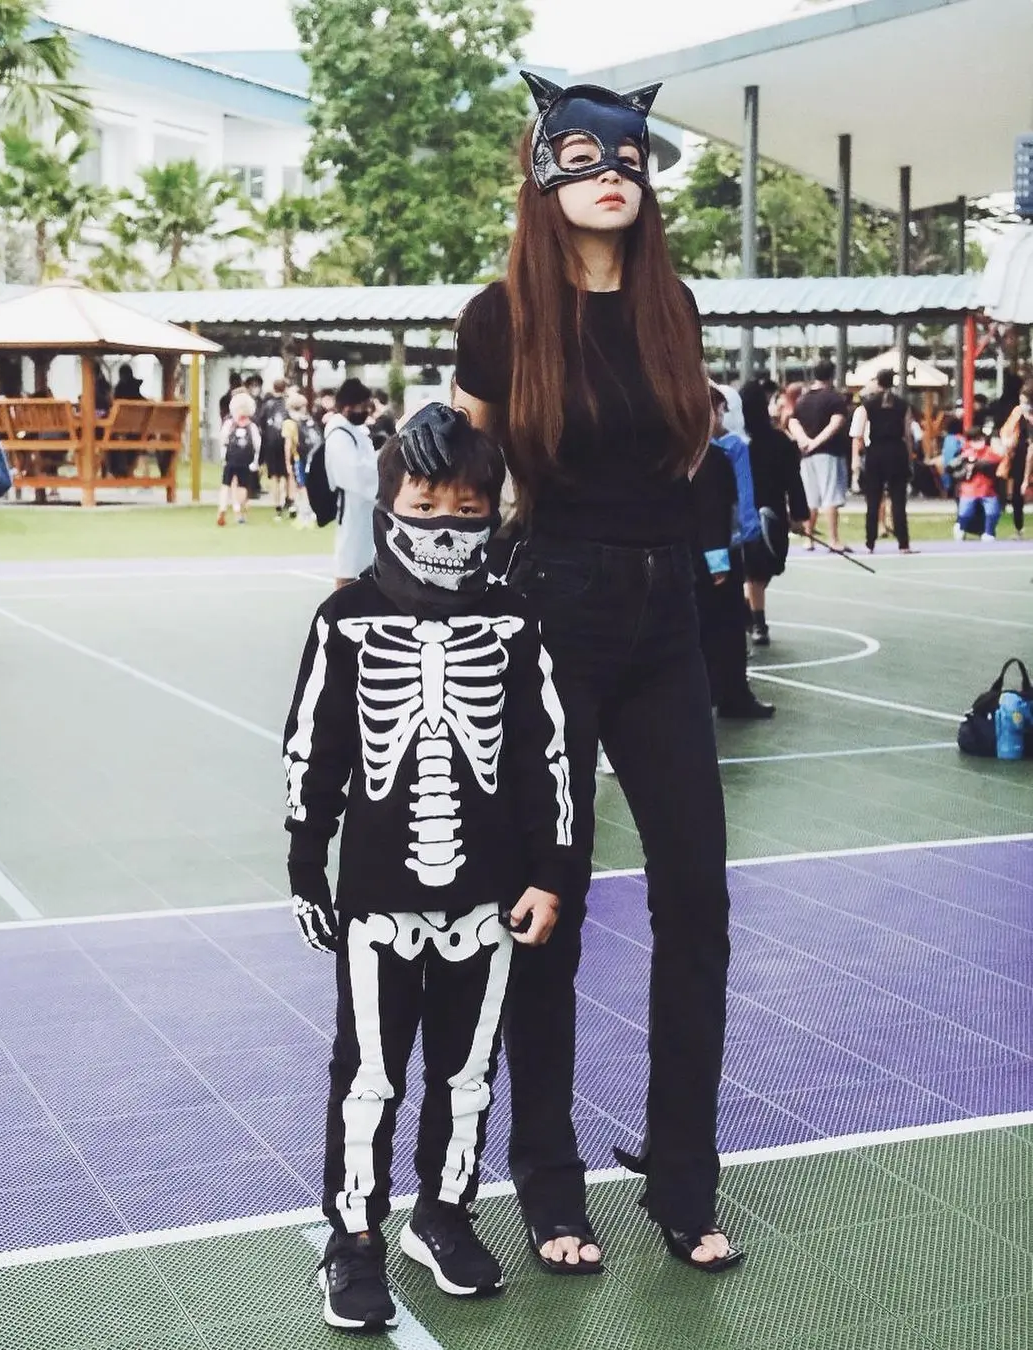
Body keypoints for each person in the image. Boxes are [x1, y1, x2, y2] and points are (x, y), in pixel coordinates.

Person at [447, 71, 743, 1274]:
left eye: (628, 155)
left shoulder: (673, 306)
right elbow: (461, 480)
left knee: (698, 901)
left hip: (669, 618)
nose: (611, 172)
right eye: (581, 154)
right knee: (549, 910)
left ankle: (683, 1176)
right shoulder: (499, 317)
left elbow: (690, 465)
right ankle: (547, 1178)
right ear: (543, 173)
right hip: (551, 616)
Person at [284, 411, 573, 1332]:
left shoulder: (515, 621)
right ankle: (353, 1236)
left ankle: (443, 1213)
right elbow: (314, 750)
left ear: (493, 514)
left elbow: (547, 758)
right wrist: (306, 865)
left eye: (468, 510)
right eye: (426, 505)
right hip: (378, 898)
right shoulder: (346, 620)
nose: (447, 526)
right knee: (368, 1074)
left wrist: (552, 872)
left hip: (488, 899)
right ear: (390, 507)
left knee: (467, 1074)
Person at [695, 387, 773, 719]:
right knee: (725, 626)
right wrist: (722, 556)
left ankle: (720, 692)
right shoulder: (718, 455)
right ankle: (732, 694)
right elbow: (723, 506)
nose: (721, 418)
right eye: (718, 411)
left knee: (706, 627)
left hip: (697, 550)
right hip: (719, 551)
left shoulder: (686, 454)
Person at [740, 379, 809, 647]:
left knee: (762, 570)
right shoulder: (778, 442)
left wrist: (798, 515)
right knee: (758, 571)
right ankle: (758, 622)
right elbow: (794, 482)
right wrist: (799, 515)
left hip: (753, 514)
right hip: (768, 514)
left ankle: (747, 610)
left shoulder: (739, 444)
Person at [789, 360, 850, 552]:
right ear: (832, 375)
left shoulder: (803, 399)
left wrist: (805, 441)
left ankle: (809, 539)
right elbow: (836, 423)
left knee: (811, 497)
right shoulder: (835, 398)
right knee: (831, 496)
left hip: (807, 454)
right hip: (829, 452)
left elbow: (793, 422)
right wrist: (816, 442)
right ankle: (833, 539)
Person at [324, 377, 377, 589]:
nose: (366, 411)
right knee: (348, 563)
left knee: (365, 562)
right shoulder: (339, 434)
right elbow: (353, 472)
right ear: (348, 407)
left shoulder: (357, 431)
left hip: (366, 505)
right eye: (362, 406)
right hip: (352, 504)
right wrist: (380, 473)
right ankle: (340, 602)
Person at [854, 369, 914, 554]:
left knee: (873, 499)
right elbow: (907, 434)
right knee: (898, 500)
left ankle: (870, 542)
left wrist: (858, 458)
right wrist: (909, 457)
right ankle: (903, 543)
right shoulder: (903, 405)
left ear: (878, 382)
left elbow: (859, 434)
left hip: (876, 452)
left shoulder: (868, 405)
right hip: (897, 451)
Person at [953, 424, 1004, 542]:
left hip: (988, 490)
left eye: (979, 438)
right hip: (969, 490)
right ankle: (960, 528)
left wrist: (978, 463)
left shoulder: (989, 451)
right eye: (974, 439)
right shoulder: (964, 452)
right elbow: (953, 467)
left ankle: (989, 532)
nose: (977, 441)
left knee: (992, 512)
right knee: (965, 512)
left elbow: (997, 460)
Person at [216, 390, 261, 526]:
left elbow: (223, 440)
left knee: (225, 485)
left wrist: (223, 457)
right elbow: (257, 445)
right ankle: (239, 511)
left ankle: (222, 508)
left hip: (231, 459)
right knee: (243, 486)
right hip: (246, 461)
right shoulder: (252, 426)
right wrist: (255, 462)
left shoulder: (229, 424)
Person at [282, 391, 320, 527]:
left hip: (299, 457)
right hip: (313, 456)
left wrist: (287, 462)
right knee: (311, 483)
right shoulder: (308, 420)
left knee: (301, 484)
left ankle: (306, 510)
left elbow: (288, 445)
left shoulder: (289, 423)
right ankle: (312, 509)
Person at [1000, 382, 1032, 540]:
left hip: (1029, 458)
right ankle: (1019, 528)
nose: (1022, 405)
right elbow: (1005, 432)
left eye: (1025, 402)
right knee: (1017, 496)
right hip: (1019, 461)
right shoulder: (1017, 415)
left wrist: (1027, 478)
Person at [258, 378, 291, 522]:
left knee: (274, 477)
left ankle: (277, 505)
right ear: (285, 389)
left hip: (270, 444)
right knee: (287, 475)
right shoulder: (288, 404)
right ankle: (288, 501)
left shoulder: (266, 405)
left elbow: (261, 424)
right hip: (285, 442)